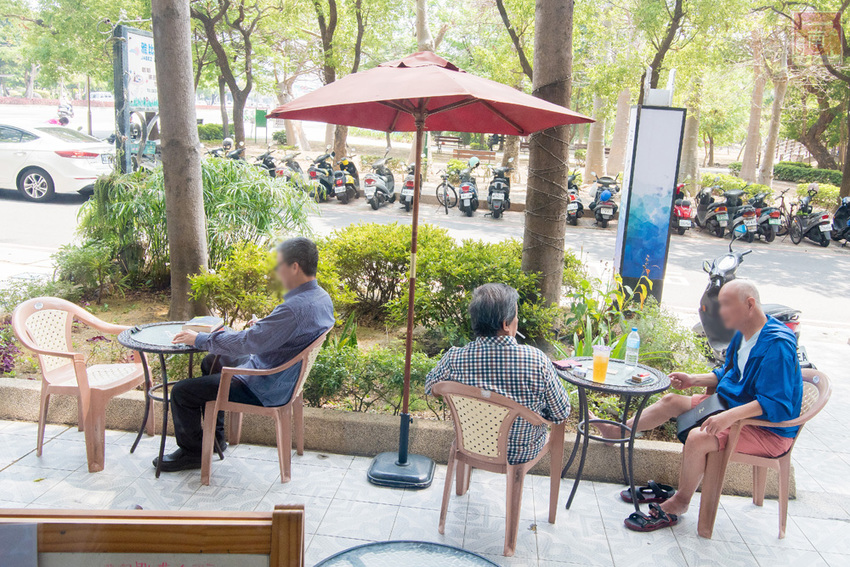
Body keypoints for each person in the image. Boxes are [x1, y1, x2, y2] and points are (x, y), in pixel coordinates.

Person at [596, 280, 802, 531]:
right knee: (671, 401)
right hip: (733, 408)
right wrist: (693, 379)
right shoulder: (743, 332)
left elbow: (775, 402)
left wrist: (728, 418)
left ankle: (680, 502)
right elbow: (729, 373)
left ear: (749, 304)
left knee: (697, 437)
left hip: (766, 428)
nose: (720, 312)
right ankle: (620, 432)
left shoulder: (778, 344)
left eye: (726, 305)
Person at [160, 237, 335, 472]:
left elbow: (248, 343)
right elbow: (289, 332)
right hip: (282, 375)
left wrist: (199, 338)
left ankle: (192, 453)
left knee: (182, 392)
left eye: (278, 265)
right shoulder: (320, 297)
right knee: (212, 361)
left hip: (264, 384)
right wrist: (265, 326)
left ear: (295, 267)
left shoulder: (294, 308)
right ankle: (216, 439)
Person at [425, 283, 570, 465]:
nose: (517, 320)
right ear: (506, 324)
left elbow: (430, 388)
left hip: (470, 444)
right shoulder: (537, 361)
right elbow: (561, 412)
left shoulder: (454, 358)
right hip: (521, 453)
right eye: (516, 316)